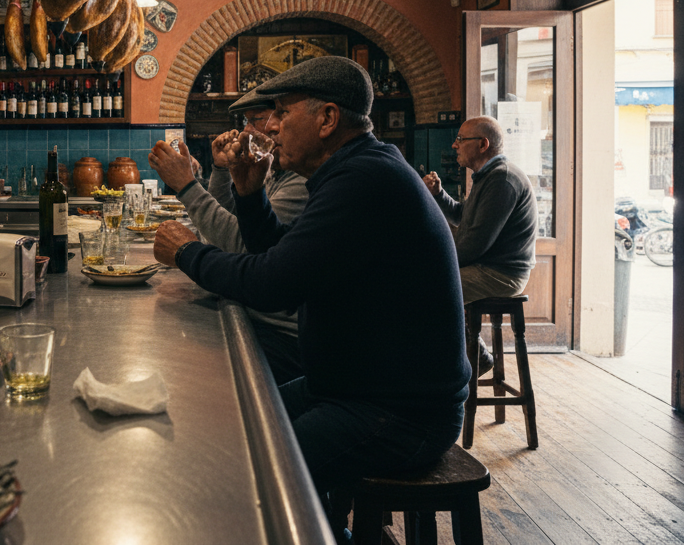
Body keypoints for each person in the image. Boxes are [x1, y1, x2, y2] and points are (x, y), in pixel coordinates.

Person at [153, 57, 468, 537]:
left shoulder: (364, 180)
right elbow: (286, 261)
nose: (270, 128)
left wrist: (188, 252)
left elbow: (271, 285)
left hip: (399, 412)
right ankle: (323, 525)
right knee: (239, 429)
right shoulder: (353, 170)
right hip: (349, 386)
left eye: (281, 112)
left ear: (326, 119)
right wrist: (250, 194)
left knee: (249, 473)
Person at [147, 88, 309, 385]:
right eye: (245, 121)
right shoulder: (277, 171)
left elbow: (242, 249)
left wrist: (186, 186)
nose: (245, 130)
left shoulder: (301, 183)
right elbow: (232, 220)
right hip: (255, 314)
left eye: (257, 119)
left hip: (282, 335)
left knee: (182, 368)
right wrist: (221, 170)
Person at [422, 115, 537, 373]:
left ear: (483, 144)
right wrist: (439, 195)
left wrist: (431, 260)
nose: (455, 145)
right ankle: (471, 357)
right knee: (427, 283)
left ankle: (457, 366)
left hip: (501, 274)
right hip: (488, 267)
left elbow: (474, 245)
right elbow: (464, 217)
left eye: (461, 139)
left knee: (427, 287)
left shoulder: (502, 179)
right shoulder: (488, 176)